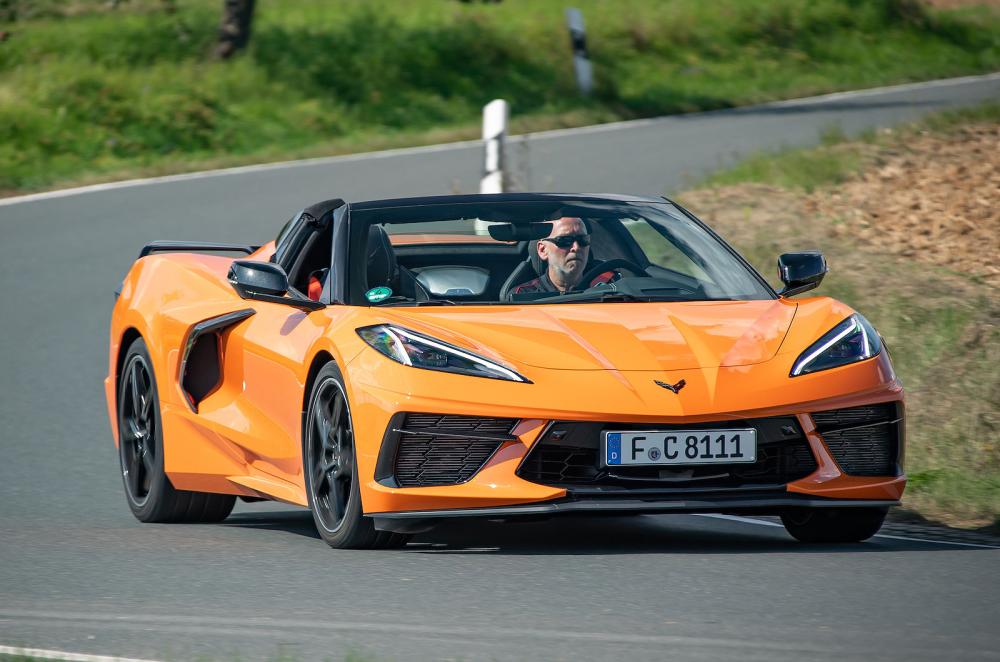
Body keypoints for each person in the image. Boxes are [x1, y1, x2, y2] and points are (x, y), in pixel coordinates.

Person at [509, 216, 617, 296]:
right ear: (542, 250)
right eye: (565, 240)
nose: (576, 247)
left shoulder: (610, 286)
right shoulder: (522, 296)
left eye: (583, 240)